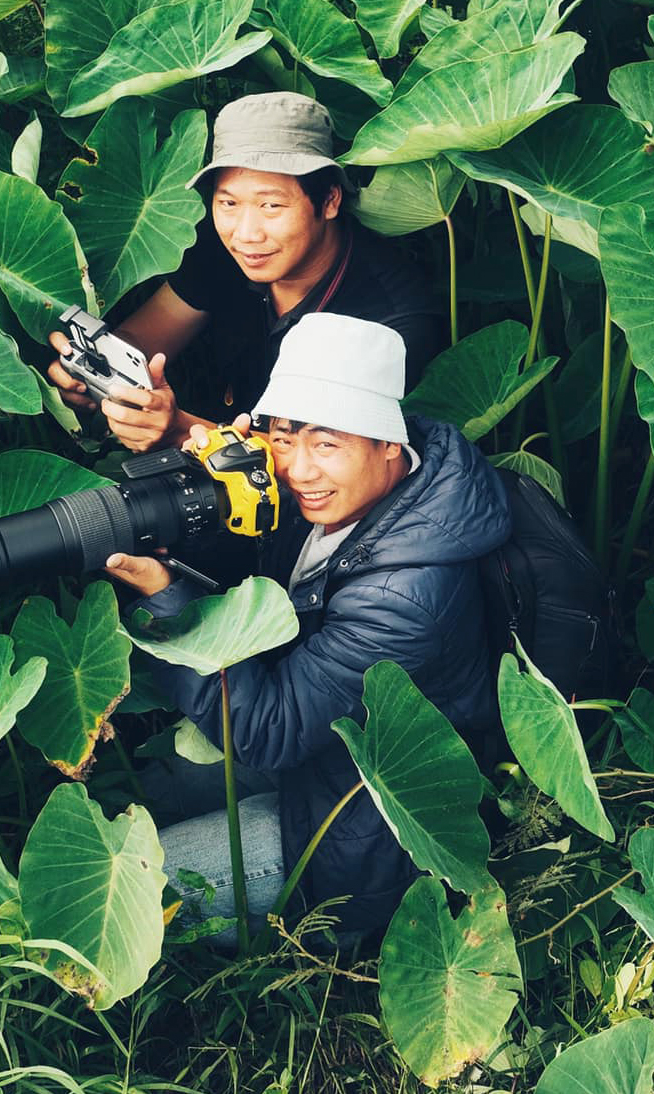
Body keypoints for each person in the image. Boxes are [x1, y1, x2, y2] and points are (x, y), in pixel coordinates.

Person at [105, 313, 510, 942]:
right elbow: (256, 563)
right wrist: (211, 482)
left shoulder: (404, 596)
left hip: (364, 824)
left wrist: (167, 600)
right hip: (323, 732)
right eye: (285, 439)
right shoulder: (346, 487)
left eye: (328, 444)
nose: (300, 470)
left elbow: (267, 731)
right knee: (161, 786)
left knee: (141, 885)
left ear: (385, 443)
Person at [47, 92, 445, 453]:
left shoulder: (388, 318)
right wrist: (88, 371)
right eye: (229, 203)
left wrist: (178, 430)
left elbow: (330, 463)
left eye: (271, 207)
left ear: (329, 201)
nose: (246, 234)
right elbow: (143, 339)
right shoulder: (223, 249)